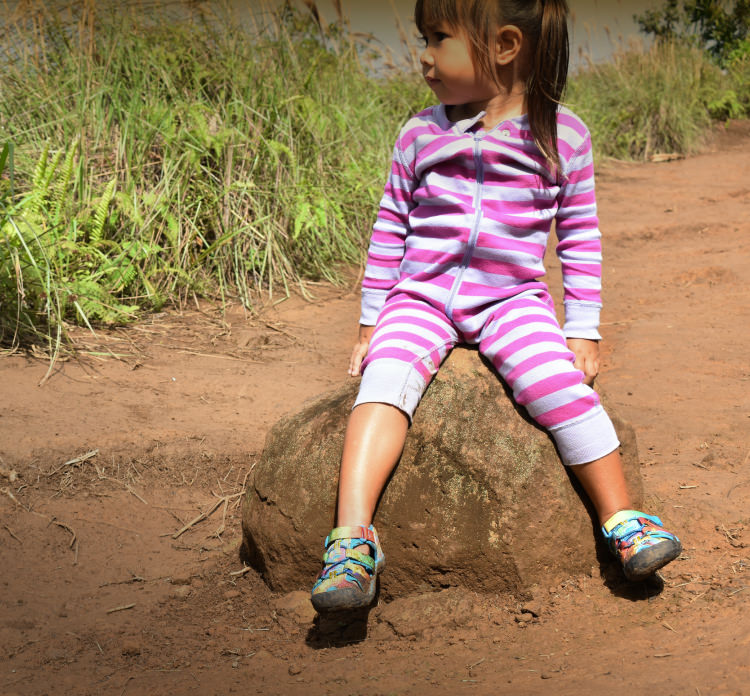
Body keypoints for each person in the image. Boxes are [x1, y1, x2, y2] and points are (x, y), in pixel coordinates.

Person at [311, 0, 681, 612]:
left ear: (505, 46)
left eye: (439, 38)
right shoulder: (419, 133)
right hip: (421, 297)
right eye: (422, 38)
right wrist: (371, 321)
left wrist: (581, 330)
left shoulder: (563, 135)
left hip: (511, 301)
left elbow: (580, 237)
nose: (425, 56)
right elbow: (389, 229)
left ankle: (624, 519)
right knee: (382, 385)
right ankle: (352, 543)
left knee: (559, 387)